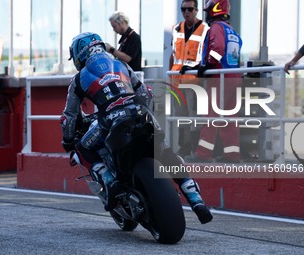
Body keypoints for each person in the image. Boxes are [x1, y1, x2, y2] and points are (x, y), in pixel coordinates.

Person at [60, 32, 212, 224]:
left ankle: (110, 181)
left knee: (82, 148)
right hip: (141, 113)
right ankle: (196, 200)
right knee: (164, 152)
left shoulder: (79, 78)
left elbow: (70, 116)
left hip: (109, 119)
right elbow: (144, 92)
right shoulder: (121, 64)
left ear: (79, 55)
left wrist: (67, 140)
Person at [187, 0, 243, 163]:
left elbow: (217, 49)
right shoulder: (232, 31)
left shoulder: (216, 28)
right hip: (234, 77)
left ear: (214, 10)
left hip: (220, 78)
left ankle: (203, 154)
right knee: (230, 118)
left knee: (212, 115)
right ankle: (232, 155)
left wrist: (208, 64)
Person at [169, 0, 209, 158]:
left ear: (196, 10)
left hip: (195, 82)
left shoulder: (205, 29)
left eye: (189, 9)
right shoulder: (176, 29)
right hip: (177, 81)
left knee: (195, 117)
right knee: (180, 116)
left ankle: (194, 148)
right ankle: (183, 147)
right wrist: (169, 74)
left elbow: (207, 55)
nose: (186, 12)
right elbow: (173, 54)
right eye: (183, 9)